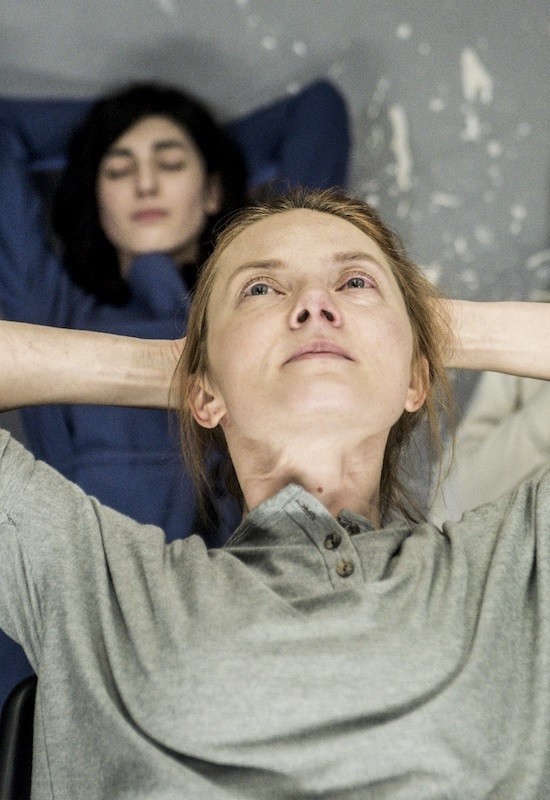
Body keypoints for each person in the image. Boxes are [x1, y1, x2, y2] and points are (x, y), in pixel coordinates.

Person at [1, 188, 549, 797]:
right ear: (204, 395)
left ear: (417, 383)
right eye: (261, 289)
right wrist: (174, 371)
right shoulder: (100, 586)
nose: (314, 304)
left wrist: (428, 333)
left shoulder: (514, 566)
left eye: (355, 283)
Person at [0, 81, 351, 709]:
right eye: (117, 170)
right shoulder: (53, 312)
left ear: (213, 190)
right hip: (63, 631)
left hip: (228, 630)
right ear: (93, 196)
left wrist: (194, 137)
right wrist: (124, 127)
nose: (145, 185)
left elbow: (318, 112)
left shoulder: (264, 311)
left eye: (170, 164)